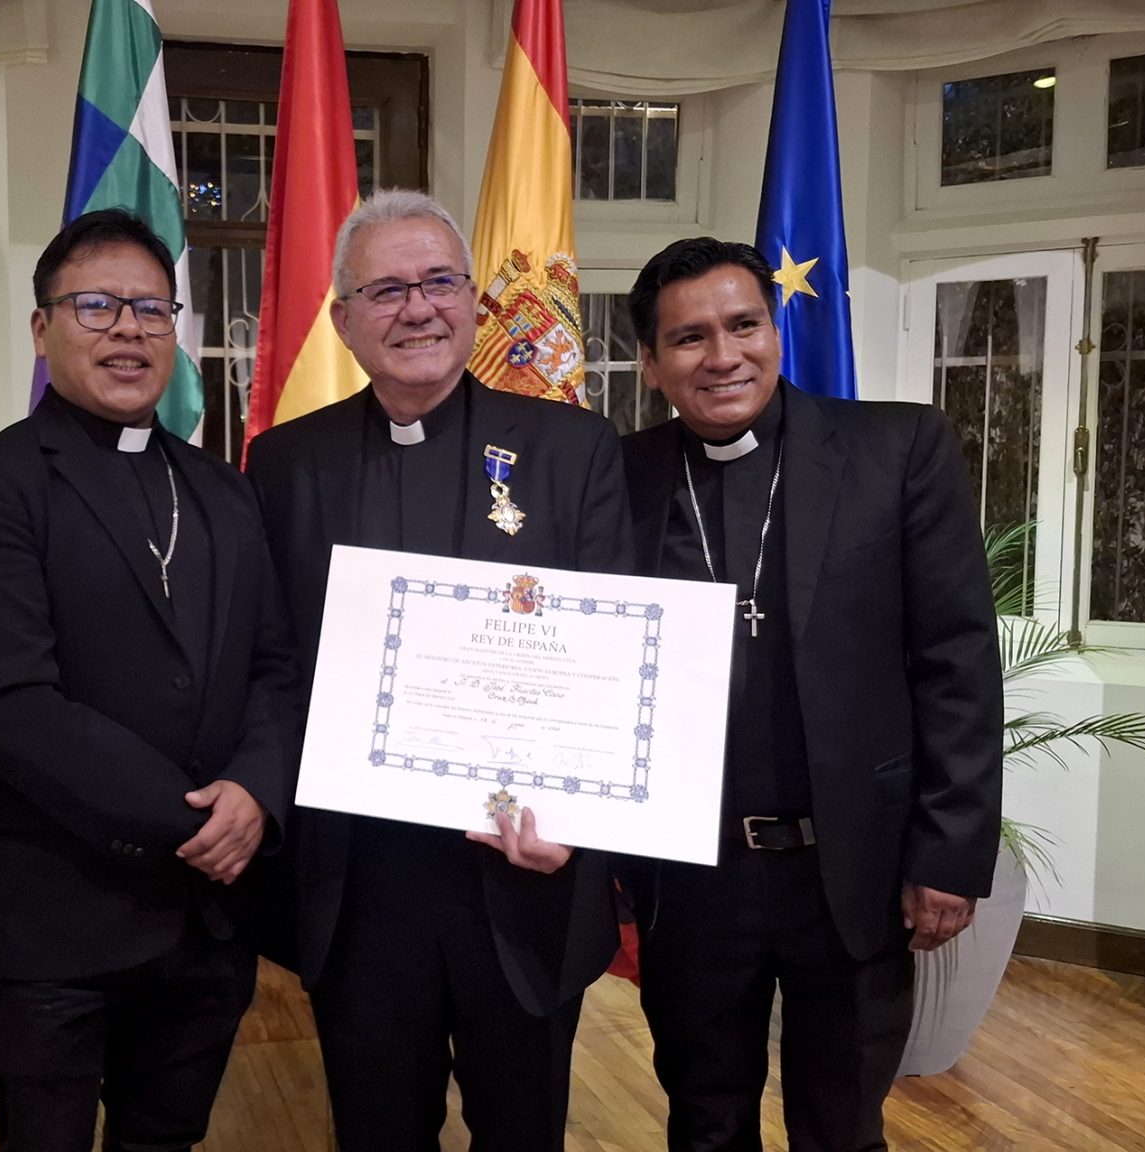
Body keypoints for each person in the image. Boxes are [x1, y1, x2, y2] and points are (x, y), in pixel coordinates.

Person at [246, 188, 635, 1152]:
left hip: (524, 872)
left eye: (438, 282)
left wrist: (575, 820)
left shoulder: (572, 449)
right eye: (385, 290)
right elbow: (273, 658)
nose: (417, 308)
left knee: (524, 1135)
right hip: (360, 888)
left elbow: (609, 660)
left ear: (474, 301)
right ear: (343, 320)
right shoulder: (286, 463)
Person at [618, 236, 1003, 1151]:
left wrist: (949, 853)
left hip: (852, 870)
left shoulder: (897, 448)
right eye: (689, 338)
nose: (723, 356)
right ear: (651, 363)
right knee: (704, 1120)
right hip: (693, 877)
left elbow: (955, 659)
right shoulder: (618, 475)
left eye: (744, 325)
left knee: (843, 1124)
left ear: (775, 330)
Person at [0, 208, 300, 1152]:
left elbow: (273, 667)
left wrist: (257, 792)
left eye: (151, 308)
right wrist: (201, 823)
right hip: (56, 916)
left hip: (208, 924)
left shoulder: (224, 491)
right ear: (42, 327)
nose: (128, 329)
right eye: (96, 306)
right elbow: (13, 705)